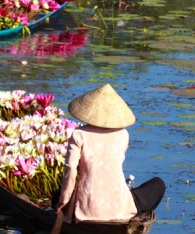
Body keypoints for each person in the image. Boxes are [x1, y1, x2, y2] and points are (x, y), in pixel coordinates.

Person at [57, 84, 165, 222]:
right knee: (158, 184)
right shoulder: (123, 134)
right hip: (119, 206)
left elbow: (71, 168)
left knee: (57, 194)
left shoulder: (79, 134)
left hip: (87, 206)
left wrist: (63, 201)